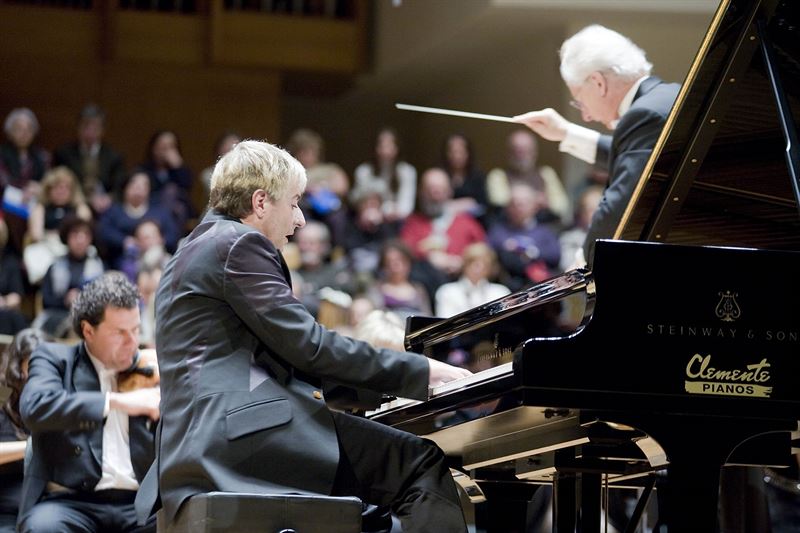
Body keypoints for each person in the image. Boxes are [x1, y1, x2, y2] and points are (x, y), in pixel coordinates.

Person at [135, 140, 470, 532]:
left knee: (370, 511)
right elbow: (311, 346)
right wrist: (422, 370)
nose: (300, 220)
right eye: (294, 203)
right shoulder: (239, 244)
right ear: (261, 202)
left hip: (195, 443)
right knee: (420, 462)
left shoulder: (188, 250)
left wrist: (375, 394)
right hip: (239, 438)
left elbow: (279, 360)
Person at [513, 24, 680, 266]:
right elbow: (636, 157)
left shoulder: (644, 114)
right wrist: (566, 133)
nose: (586, 116)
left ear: (598, 83)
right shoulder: (667, 97)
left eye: (579, 100)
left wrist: (582, 265)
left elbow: (617, 206)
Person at [18, 272, 160, 533]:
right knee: (43, 528)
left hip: (141, 504)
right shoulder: (55, 359)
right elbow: (35, 407)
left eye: (136, 330)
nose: (132, 343)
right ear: (88, 330)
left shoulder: (151, 367)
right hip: (71, 502)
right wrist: (117, 402)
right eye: (120, 333)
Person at [0, 328, 50, 532]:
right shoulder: (3, 410)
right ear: (18, 371)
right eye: (35, 367)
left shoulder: (62, 407)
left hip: (52, 511)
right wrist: (32, 447)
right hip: (7, 514)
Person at [52, 104, 126, 215]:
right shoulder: (63, 154)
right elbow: (57, 182)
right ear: (78, 128)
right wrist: (82, 199)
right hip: (72, 206)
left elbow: (120, 187)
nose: (90, 131)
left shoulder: (114, 157)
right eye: (86, 126)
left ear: (103, 130)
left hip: (105, 208)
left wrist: (108, 198)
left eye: (95, 127)